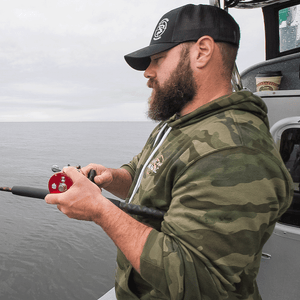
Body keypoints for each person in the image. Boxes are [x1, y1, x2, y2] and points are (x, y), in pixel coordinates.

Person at [45, 4, 293, 300]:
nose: (148, 72)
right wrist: (113, 178)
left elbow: (203, 283)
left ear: (203, 51)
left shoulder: (234, 149)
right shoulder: (180, 123)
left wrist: (100, 210)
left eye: (159, 59)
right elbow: (143, 174)